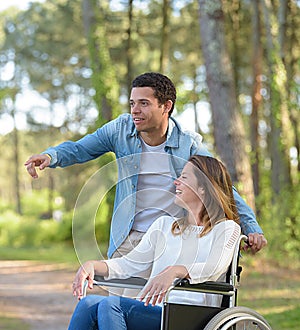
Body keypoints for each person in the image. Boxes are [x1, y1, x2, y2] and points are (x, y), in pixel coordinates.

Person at [13, 155, 241, 330]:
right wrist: (93, 265)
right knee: (90, 304)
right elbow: (129, 264)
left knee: (112, 305)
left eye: (184, 177)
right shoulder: (165, 227)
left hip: (191, 320)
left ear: (204, 188)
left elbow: (214, 267)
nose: (176, 181)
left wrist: (175, 270)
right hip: (156, 315)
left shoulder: (227, 229)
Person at [24, 72, 266, 256]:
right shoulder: (119, 130)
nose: (135, 111)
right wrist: (50, 156)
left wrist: (251, 226)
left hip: (174, 241)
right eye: (132, 103)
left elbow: (223, 188)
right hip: (128, 239)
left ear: (166, 106)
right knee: (118, 309)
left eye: (144, 103)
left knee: (162, 318)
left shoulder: (188, 144)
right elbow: (80, 149)